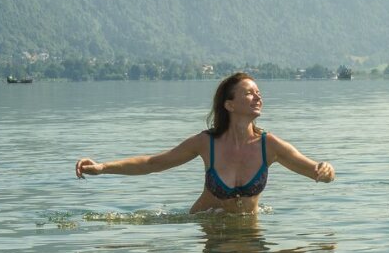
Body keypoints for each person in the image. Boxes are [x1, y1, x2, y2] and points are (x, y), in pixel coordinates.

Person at [74, 72, 335, 214]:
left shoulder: (271, 146)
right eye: (249, 92)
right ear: (229, 104)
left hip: (251, 239)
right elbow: (153, 163)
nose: (258, 96)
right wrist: (102, 168)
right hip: (206, 231)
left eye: (258, 92)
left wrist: (326, 170)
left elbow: (317, 171)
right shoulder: (205, 143)